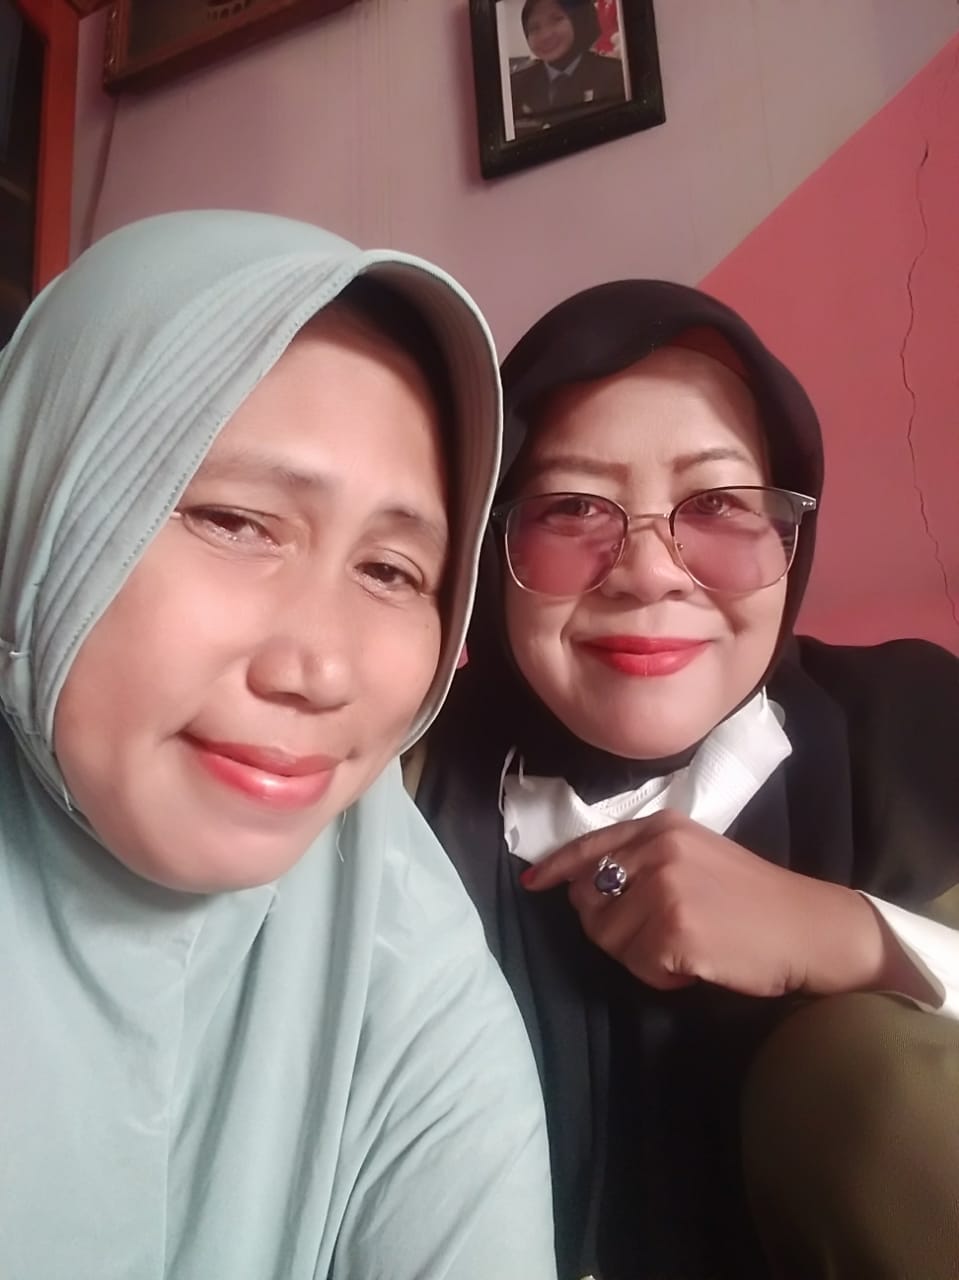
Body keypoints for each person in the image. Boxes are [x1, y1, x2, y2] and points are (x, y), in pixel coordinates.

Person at [0, 210, 557, 1279]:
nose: (321, 669)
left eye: (391, 571)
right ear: (38, 503)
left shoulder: (398, 938)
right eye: (236, 521)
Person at [414, 280, 959, 1279]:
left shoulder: (914, 734)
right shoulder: (392, 793)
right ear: (492, 543)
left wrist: (849, 934)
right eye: (572, 507)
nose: (649, 571)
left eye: (714, 504)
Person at [510, 0, 626, 136]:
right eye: (535, 28)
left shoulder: (615, 75)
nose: (546, 35)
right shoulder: (516, 85)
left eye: (556, 19)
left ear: (578, 20)